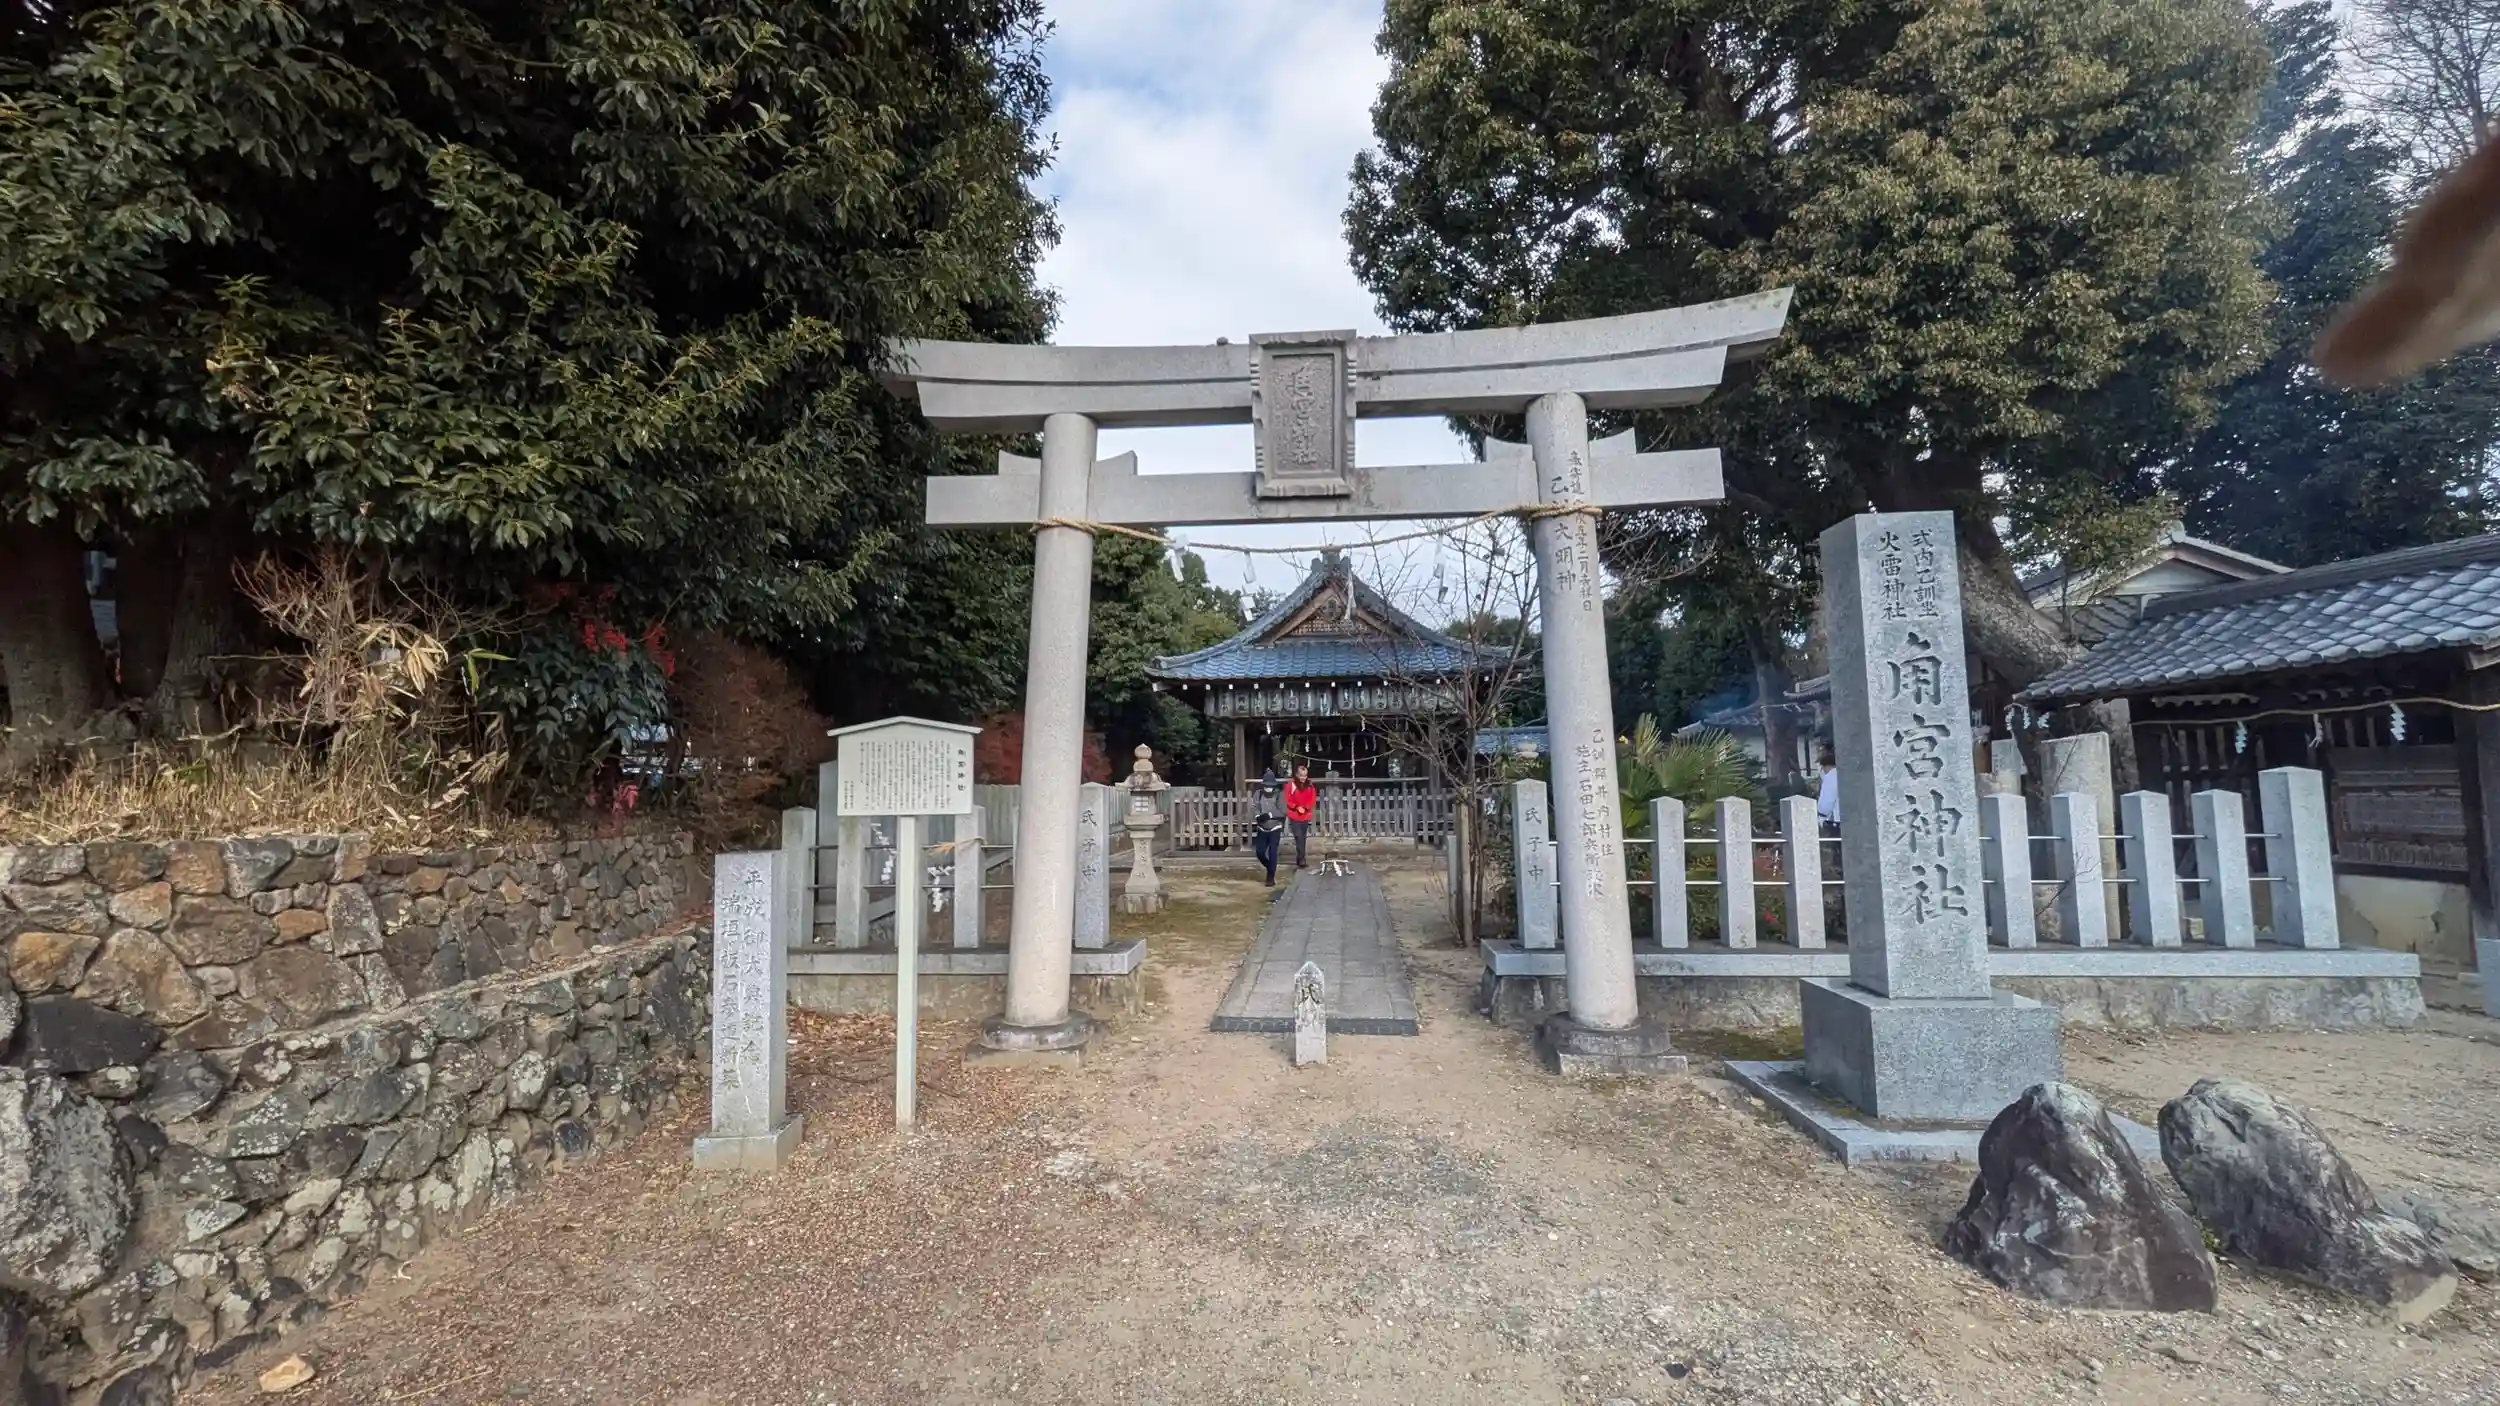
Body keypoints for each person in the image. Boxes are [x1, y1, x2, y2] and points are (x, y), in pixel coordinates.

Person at [1250, 766, 1286, 886]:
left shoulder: (1280, 795)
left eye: (1270, 786)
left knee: (1272, 852)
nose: (1268, 788)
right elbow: (1254, 807)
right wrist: (1257, 816)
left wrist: (1269, 815)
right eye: (1266, 786)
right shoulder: (1258, 794)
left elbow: (1283, 811)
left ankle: (1270, 877)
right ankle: (1269, 867)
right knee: (1260, 852)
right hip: (1262, 827)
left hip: (1275, 827)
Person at [1284, 762, 1319, 868]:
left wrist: (1306, 807)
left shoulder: (1310, 785)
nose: (1303, 778)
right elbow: (1287, 799)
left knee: (1302, 837)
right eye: (1301, 775)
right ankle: (1302, 859)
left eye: (1305, 775)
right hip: (1294, 814)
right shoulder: (1290, 785)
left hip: (1305, 814)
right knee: (1298, 836)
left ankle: (1300, 858)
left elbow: (1312, 798)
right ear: (1297, 774)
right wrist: (1296, 807)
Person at [1815, 743, 1841, 831]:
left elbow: (1826, 801)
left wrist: (1820, 816)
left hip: (1834, 820)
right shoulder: (1842, 774)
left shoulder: (1831, 776)